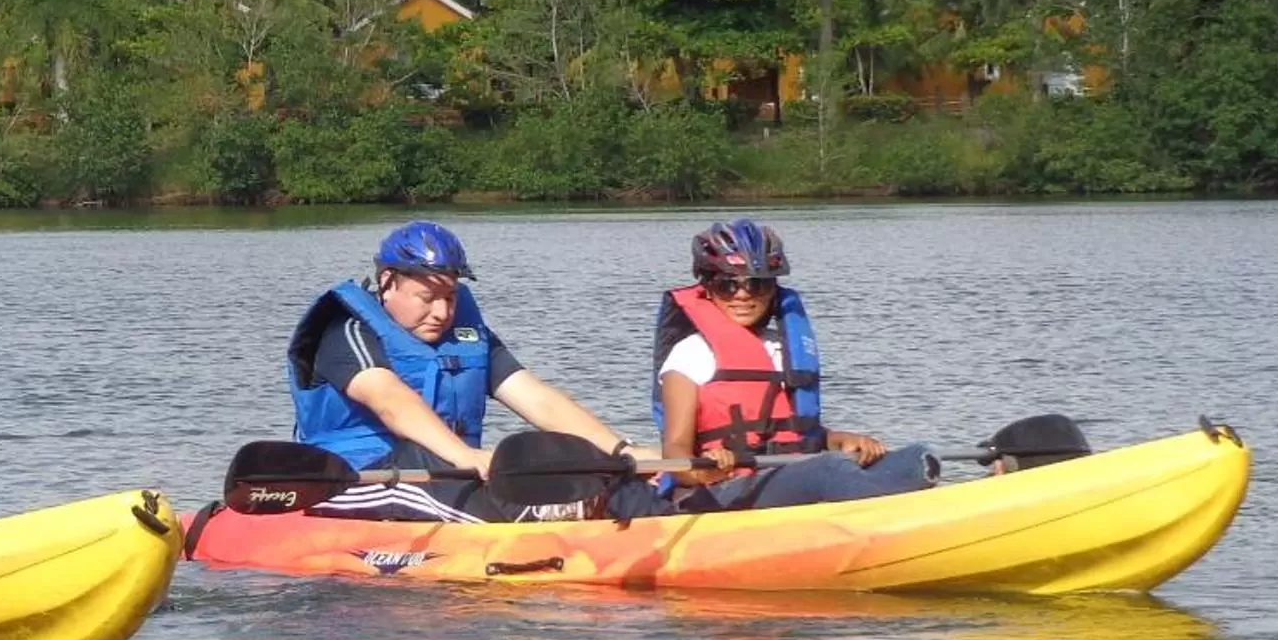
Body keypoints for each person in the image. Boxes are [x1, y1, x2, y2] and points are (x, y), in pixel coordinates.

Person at [286, 220, 664, 521]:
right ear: (387, 283)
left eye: (450, 296)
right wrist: (464, 455)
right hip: (360, 480)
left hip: (450, 472)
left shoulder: (467, 337)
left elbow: (538, 400)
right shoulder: (346, 332)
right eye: (427, 297)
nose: (442, 312)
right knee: (425, 457)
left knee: (558, 454)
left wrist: (621, 453)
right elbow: (389, 400)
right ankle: (543, 516)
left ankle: (649, 508)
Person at [652, 218, 935, 510]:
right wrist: (708, 467)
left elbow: (799, 433)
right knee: (828, 470)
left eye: (757, 284)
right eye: (728, 285)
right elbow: (676, 452)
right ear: (708, 289)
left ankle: (916, 508)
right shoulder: (690, 354)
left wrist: (838, 439)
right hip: (722, 490)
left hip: (788, 475)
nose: (743, 294)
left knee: (917, 459)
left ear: (773, 288)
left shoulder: (782, 347)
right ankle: (894, 513)